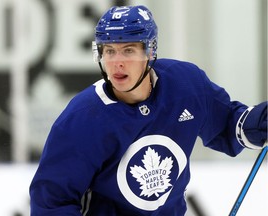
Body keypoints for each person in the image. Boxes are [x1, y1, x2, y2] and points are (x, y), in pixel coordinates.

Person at [29, 5, 267, 216]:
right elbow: (51, 202)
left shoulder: (186, 84)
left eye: (128, 50)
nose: (116, 62)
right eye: (109, 51)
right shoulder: (81, 119)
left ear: (150, 52)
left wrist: (260, 123)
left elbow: (229, 124)